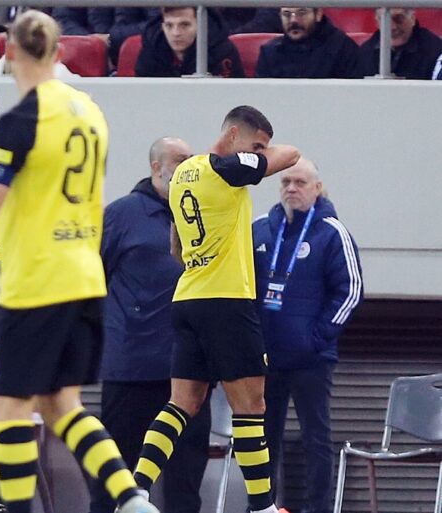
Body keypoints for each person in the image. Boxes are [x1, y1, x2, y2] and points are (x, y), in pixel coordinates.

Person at [0, 10, 157, 513]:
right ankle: (131, 497)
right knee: (62, 406)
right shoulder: (90, 111)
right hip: (85, 276)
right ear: (59, 51)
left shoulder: (19, 122)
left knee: (7, 408)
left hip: (36, 279)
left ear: (10, 54)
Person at [130, 105, 300, 513]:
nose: (260, 153)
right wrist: (260, 156)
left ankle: (135, 492)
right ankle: (263, 507)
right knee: (251, 407)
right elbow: (291, 155)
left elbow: (176, 245)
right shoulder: (226, 168)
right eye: (256, 145)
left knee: (181, 403)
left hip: (188, 296)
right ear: (233, 135)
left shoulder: (180, 176)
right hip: (227, 300)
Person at [92, 137, 211, 513]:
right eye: (179, 160)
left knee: (185, 480)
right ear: (156, 167)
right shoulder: (122, 215)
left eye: (191, 159)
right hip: (132, 368)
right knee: (116, 474)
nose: (187, 166)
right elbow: (93, 279)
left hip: (189, 370)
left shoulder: (201, 211)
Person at [252, 158, 363, 513]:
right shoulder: (260, 230)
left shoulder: (331, 233)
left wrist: (317, 338)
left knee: (315, 437)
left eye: (300, 183)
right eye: (285, 182)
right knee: (264, 438)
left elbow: (351, 291)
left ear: (317, 188)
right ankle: (263, 506)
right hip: (267, 357)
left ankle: (318, 508)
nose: (291, 188)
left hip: (311, 359)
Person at [135, 7, 244, 78]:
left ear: (201, 24)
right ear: (162, 26)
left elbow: (233, 97)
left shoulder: (223, 51)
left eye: (185, 25)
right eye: (169, 25)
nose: (176, 33)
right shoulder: (151, 49)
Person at [255, 8, 360, 78]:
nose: (293, 20)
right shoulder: (269, 52)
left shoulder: (343, 48)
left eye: (302, 13)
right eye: (286, 14)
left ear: (318, 14)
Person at [358, 8, 442, 79]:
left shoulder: (435, 50)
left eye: (399, 19)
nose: (392, 27)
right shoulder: (365, 53)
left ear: (412, 19)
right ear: (377, 22)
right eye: (385, 20)